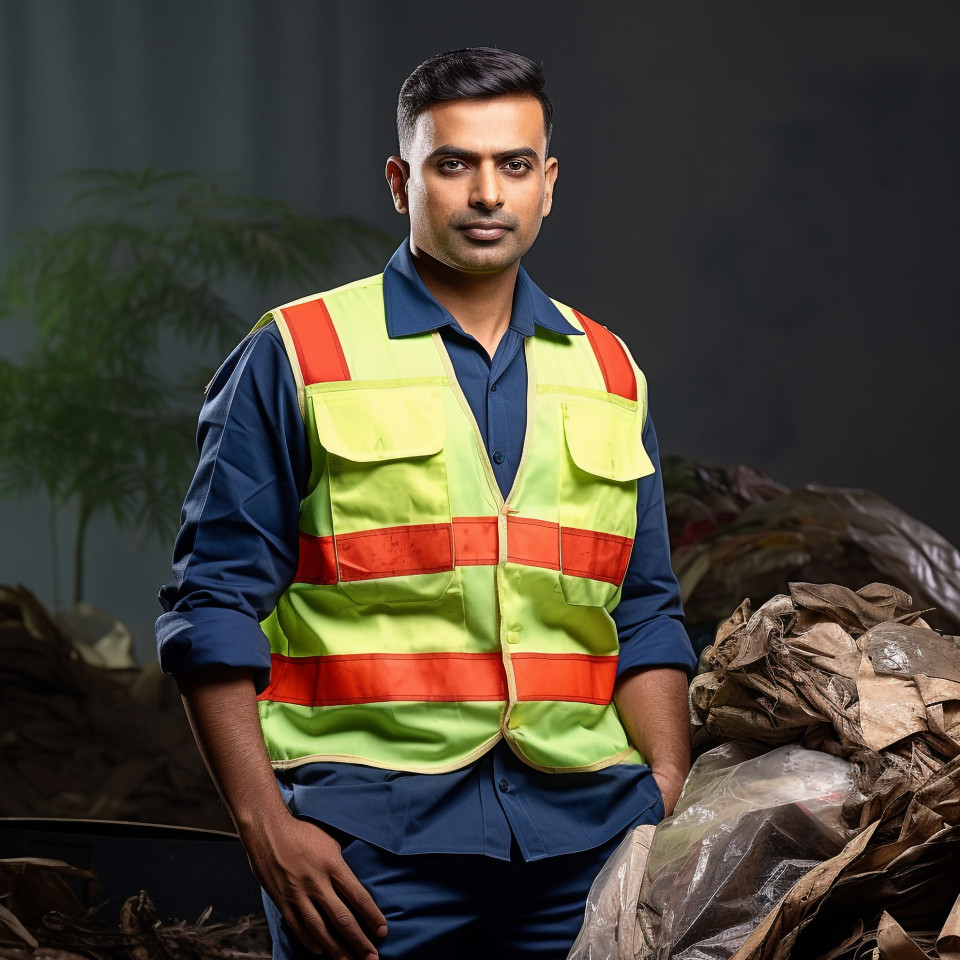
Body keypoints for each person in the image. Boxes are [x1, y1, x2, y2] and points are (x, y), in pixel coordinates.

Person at [156, 46, 696, 960]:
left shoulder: (612, 371)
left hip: (592, 846)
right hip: (368, 855)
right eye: (456, 163)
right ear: (402, 179)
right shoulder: (298, 354)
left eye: (514, 164)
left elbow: (642, 610)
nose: (488, 192)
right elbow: (211, 608)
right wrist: (265, 828)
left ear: (548, 183)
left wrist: (667, 793)